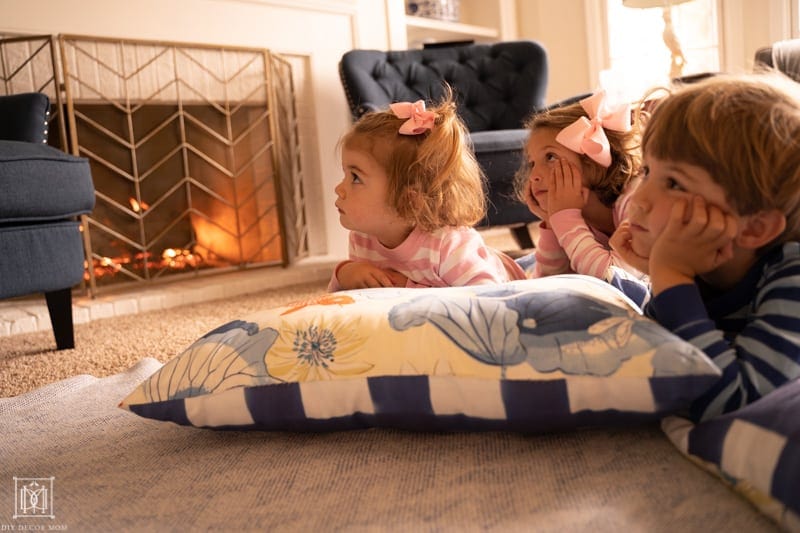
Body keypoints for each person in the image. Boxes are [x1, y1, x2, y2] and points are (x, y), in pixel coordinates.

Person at [608, 72, 800, 422]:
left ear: (754, 227)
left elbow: (734, 405)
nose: (639, 198)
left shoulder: (793, 281)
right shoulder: (708, 267)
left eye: (674, 183)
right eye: (647, 171)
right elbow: (663, 353)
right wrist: (660, 276)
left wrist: (671, 276)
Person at [328, 88, 525, 291]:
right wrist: (345, 274)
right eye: (345, 174)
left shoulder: (448, 245)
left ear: (409, 200)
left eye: (356, 178)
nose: (339, 189)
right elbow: (345, 303)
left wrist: (408, 288)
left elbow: (487, 296)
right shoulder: (363, 238)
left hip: (510, 285)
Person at [514, 90, 644, 280]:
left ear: (594, 161)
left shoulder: (638, 201)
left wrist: (565, 219)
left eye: (550, 157)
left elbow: (616, 279)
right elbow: (548, 282)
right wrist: (552, 222)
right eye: (532, 163)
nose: (533, 176)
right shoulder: (576, 214)